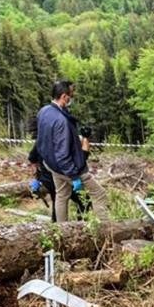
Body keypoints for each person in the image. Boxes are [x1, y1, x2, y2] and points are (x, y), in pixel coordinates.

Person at [35, 80, 107, 222]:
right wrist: (74, 176)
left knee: (62, 196)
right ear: (63, 96)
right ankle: (107, 230)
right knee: (99, 194)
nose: (71, 98)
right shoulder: (61, 121)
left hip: (52, 165)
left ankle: (63, 231)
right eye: (71, 95)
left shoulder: (44, 111)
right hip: (67, 168)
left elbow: (44, 139)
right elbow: (62, 153)